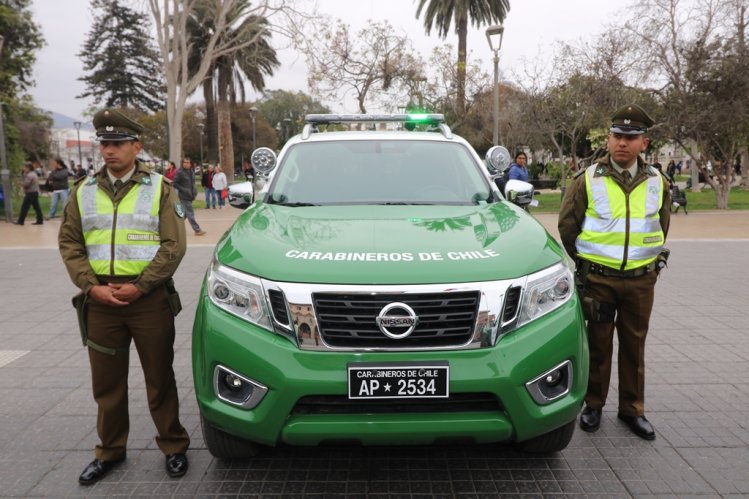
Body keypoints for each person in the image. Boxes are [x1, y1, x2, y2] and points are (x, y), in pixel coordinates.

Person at [58, 108, 191, 485]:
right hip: (100, 301)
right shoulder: (82, 191)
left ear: (137, 146)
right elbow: (70, 242)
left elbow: (173, 246)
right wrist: (91, 285)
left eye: (117, 144)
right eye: (104, 144)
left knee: (159, 378)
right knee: (107, 384)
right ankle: (110, 451)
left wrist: (141, 285)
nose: (109, 151)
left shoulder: (160, 189)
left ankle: (174, 445)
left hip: (148, 301)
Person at [558, 104, 671, 441]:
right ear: (608, 139)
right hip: (599, 279)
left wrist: (651, 262)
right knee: (599, 343)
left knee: (635, 346)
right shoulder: (587, 180)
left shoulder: (657, 182)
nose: (623, 143)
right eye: (617, 136)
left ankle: (633, 409)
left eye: (631, 137)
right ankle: (593, 405)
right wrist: (586, 263)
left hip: (640, 280)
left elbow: (660, 226)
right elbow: (567, 226)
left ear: (644, 143)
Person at [172, 157, 206, 236]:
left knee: (185, 215)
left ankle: (174, 227)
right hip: (184, 196)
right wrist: (183, 190)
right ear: (182, 163)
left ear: (190, 164)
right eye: (185, 162)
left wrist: (194, 192)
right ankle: (197, 230)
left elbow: (192, 183)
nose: (186, 164)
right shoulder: (179, 172)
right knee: (190, 213)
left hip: (190, 195)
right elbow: (174, 183)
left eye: (188, 162)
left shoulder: (191, 171)